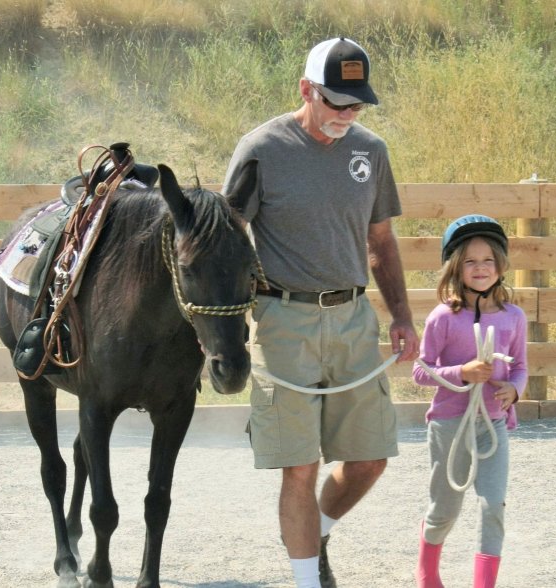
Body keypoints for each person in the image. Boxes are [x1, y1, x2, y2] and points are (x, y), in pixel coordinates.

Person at [222, 37, 419, 588]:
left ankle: (318, 531)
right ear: (306, 89)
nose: (348, 114)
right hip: (284, 320)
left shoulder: (370, 151)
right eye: (337, 102)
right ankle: (307, 579)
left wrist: (402, 316)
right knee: (300, 465)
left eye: (357, 104)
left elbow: (381, 241)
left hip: (354, 319)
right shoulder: (261, 149)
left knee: (370, 458)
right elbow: (226, 241)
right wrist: (224, 328)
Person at [412, 215, 528, 588]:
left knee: (493, 505)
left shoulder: (514, 316)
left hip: (493, 422)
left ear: (501, 265)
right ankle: (427, 572)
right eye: (470, 261)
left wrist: (515, 390)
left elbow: (520, 366)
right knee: (445, 508)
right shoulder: (443, 317)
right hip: (450, 424)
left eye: (488, 260)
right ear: (455, 267)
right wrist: (462, 372)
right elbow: (421, 372)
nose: (480, 268)